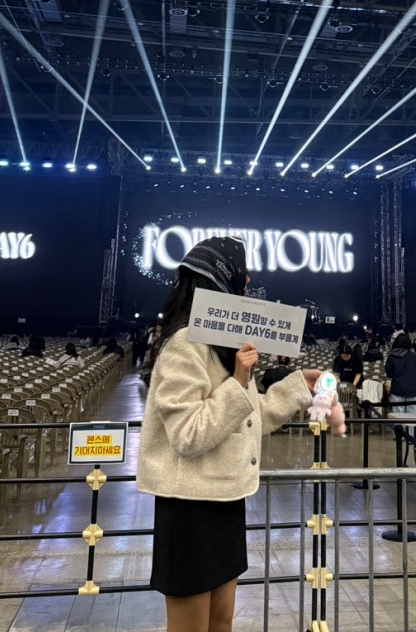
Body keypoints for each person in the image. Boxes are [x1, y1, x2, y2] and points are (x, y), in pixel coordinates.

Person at [136, 236, 321, 632]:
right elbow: (188, 434)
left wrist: (296, 387)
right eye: (242, 272)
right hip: (189, 509)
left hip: (224, 500)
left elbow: (247, 416)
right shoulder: (184, 345)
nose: (248, 280)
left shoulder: (223, 345)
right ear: (221, 279)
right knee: (191, 627)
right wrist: (238, 380)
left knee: (221, 621)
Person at [384, 333, 416, 414]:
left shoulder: (392, 357)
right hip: (412, 390)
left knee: (398, 418)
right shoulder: (413, 356)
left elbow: (388, 373)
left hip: (397, 390)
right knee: (412, 418)